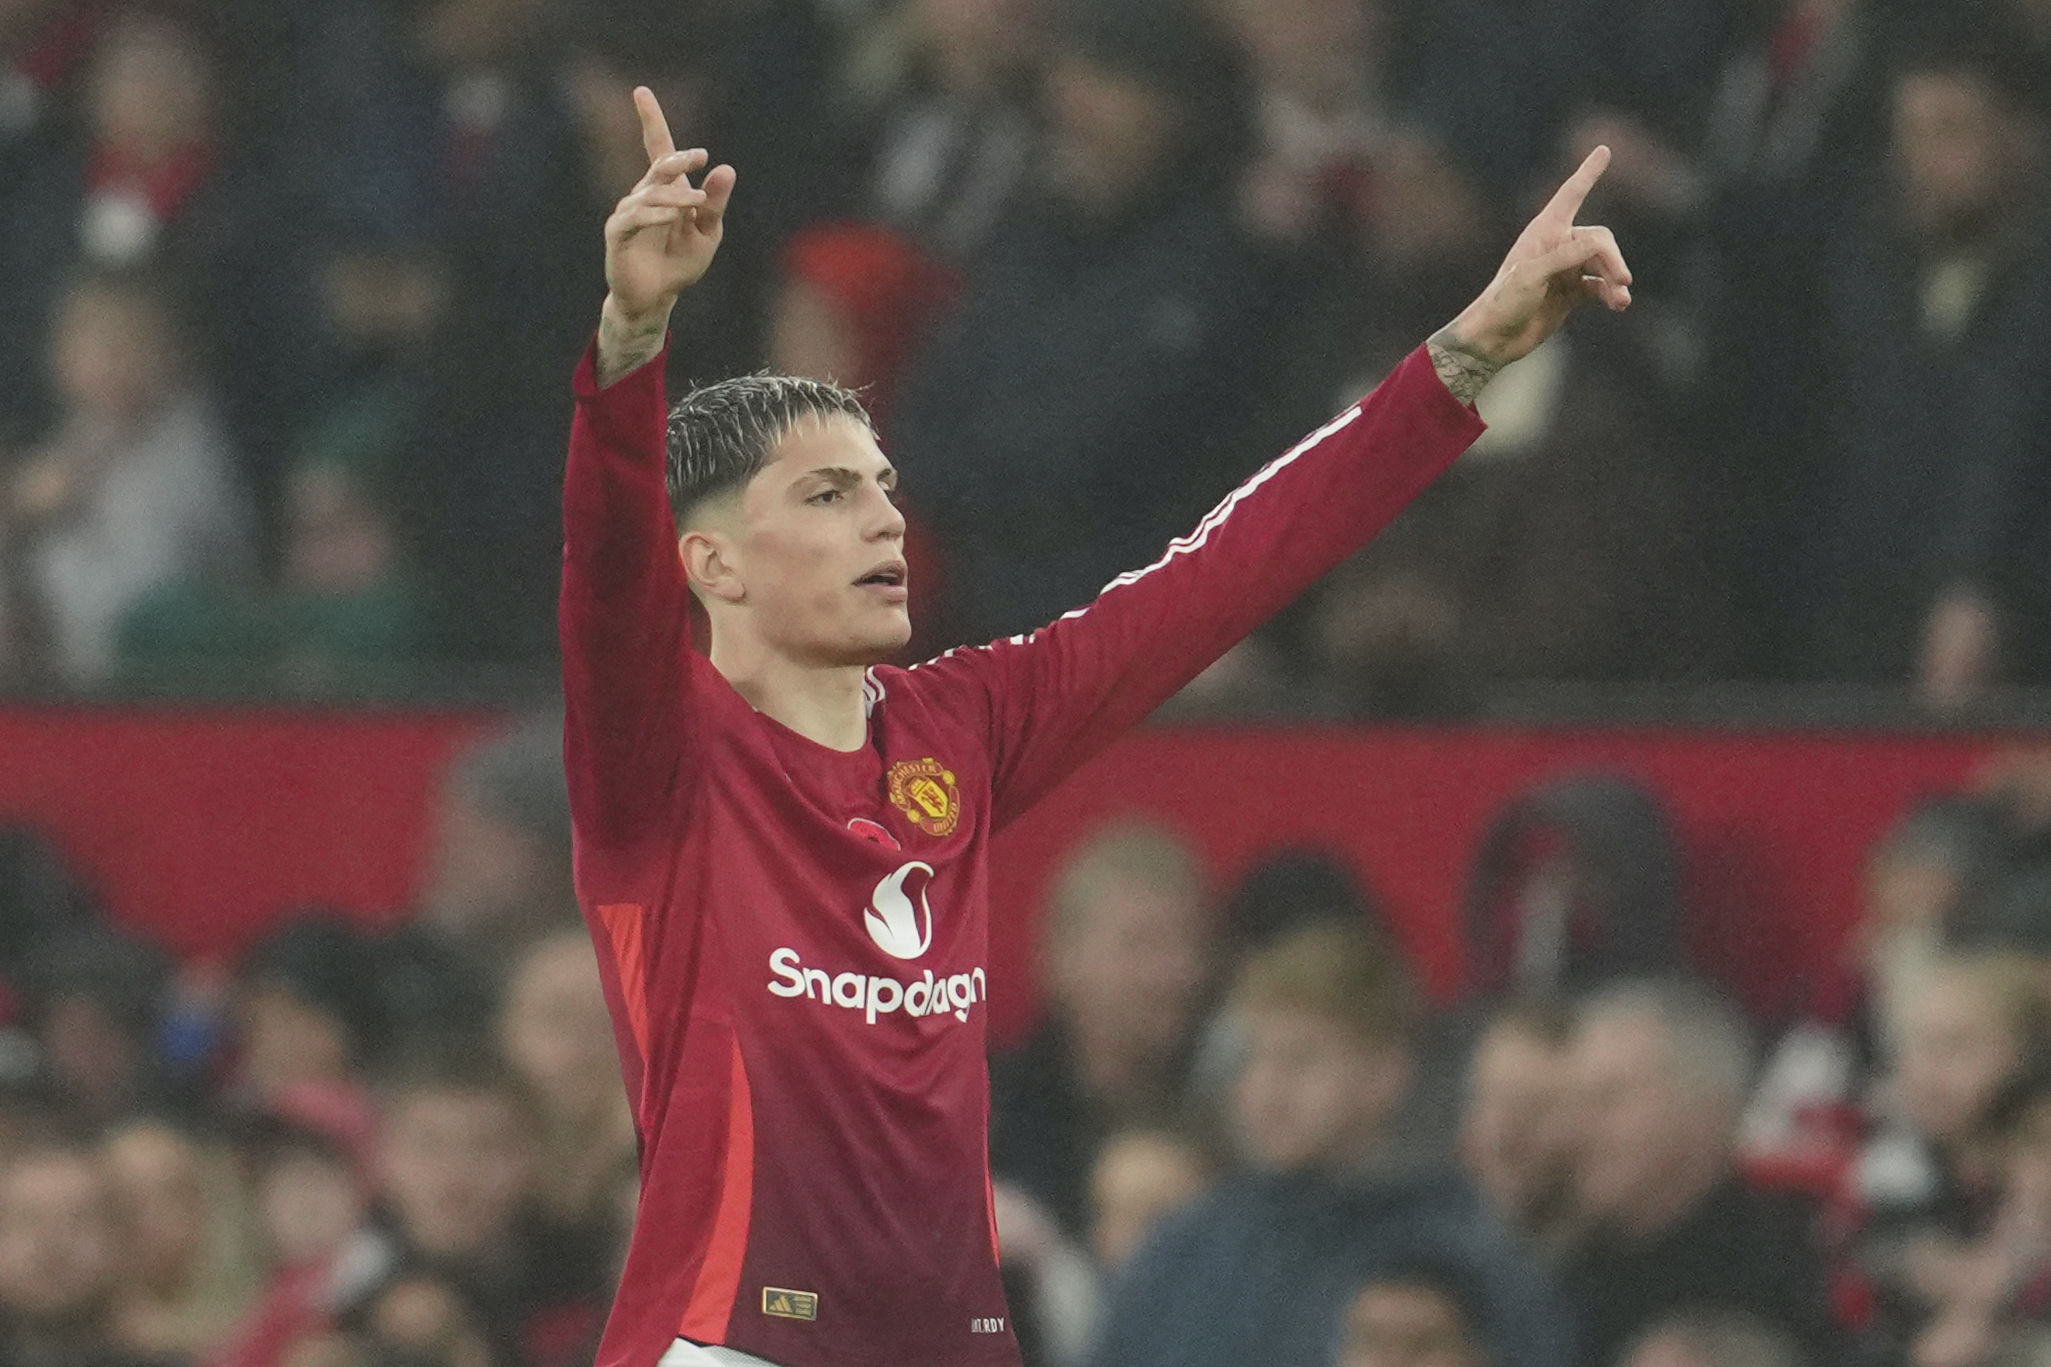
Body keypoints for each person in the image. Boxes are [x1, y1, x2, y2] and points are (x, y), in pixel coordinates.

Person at [563, 72, 1630, 1367]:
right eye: (829, 495)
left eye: (884, 487)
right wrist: (632, 334)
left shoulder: (958, 727)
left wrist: (1459, 358)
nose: (883, 520)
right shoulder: (660, 760)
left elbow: (1221, 571)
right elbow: (609, 576)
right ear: (717, 566)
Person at [1088, 920, 1568, 1367]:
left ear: (1386, 1074)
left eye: (1301, 1060)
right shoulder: (1183, 1252)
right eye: (1254, 1057)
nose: (1267, 1090)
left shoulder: (1469, 1259)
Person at [1558, 979, 1840, 1367]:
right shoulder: (1555, 1268)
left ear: (1707, 1112)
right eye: (1570, 1103)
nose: (1575, 1128)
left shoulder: (1798, 1270)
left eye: (1609, 1098)